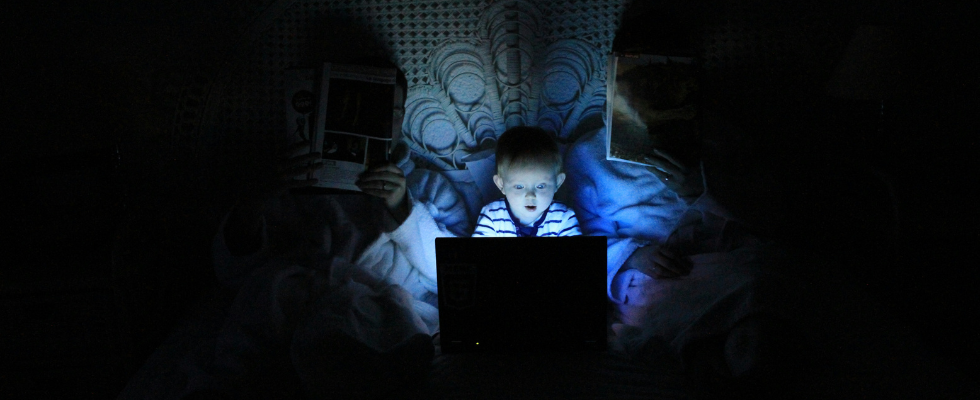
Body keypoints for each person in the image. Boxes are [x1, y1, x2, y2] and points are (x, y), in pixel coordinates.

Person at [359, 125, 580, 238]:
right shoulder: (492, 217)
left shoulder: (564, 219)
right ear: (501, 185)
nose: (530, 195)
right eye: (519, 186)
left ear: (558, 182)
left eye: (541, 186)